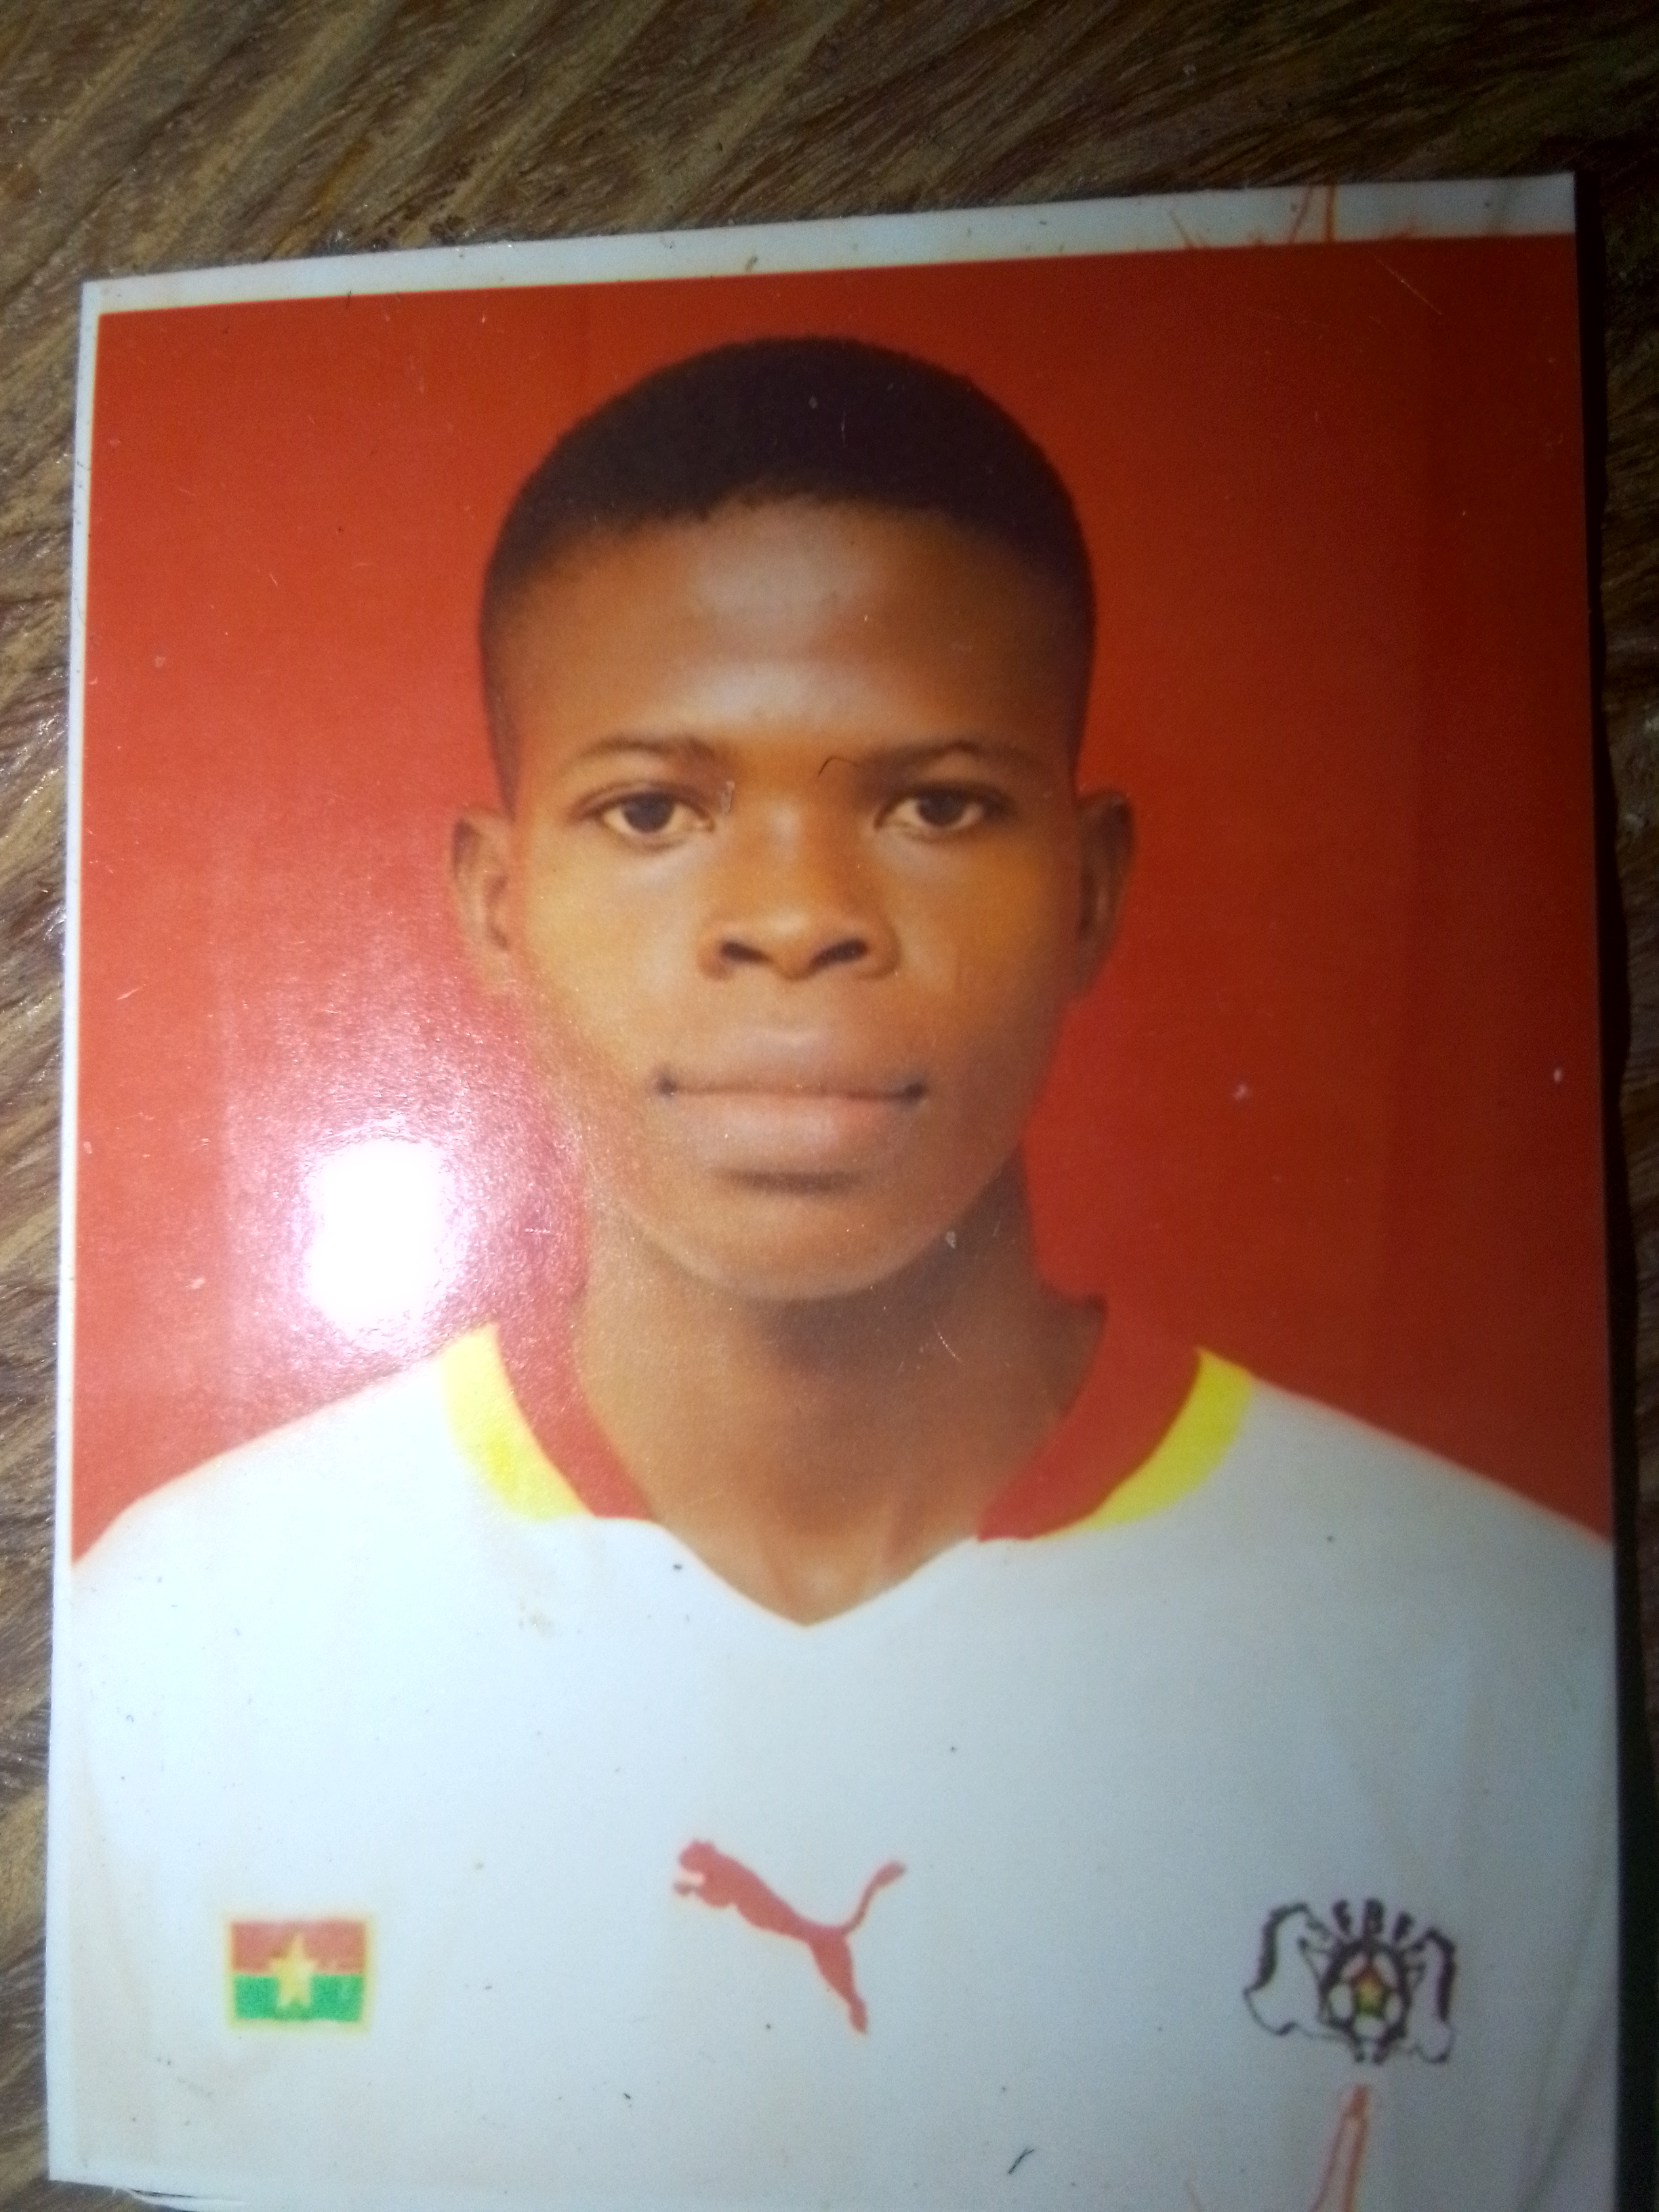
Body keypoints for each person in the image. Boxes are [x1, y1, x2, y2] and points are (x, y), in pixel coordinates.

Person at [48, 337, 1615, 2211]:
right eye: (653, 809)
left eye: (935, 804)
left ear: (1092, 885)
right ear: (494, 902)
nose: (797, 918)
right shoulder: (195, 1638)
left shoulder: (1514, 1679)